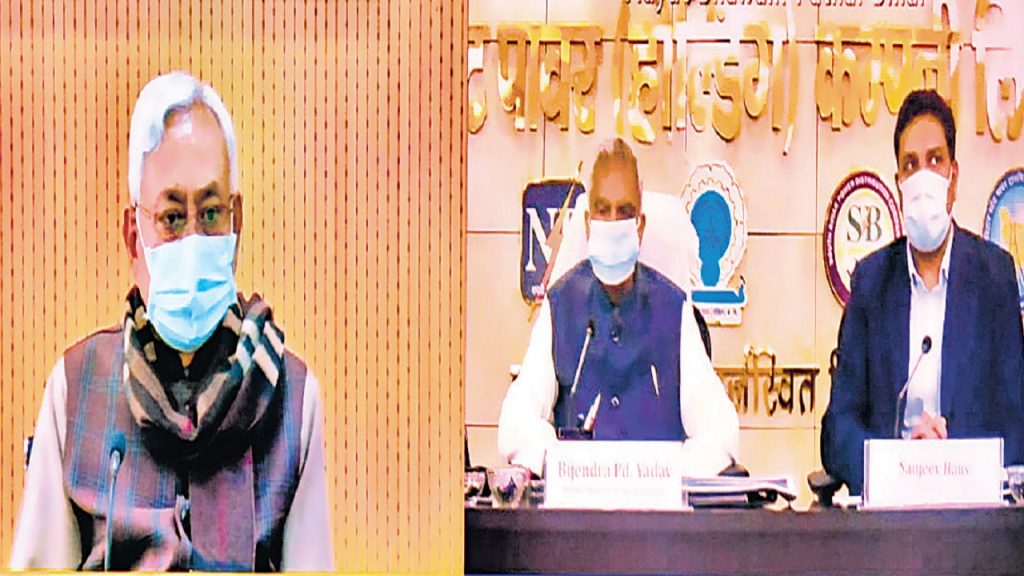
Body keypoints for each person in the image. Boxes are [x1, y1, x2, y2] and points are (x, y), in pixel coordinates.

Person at [9, 72, 334, 571]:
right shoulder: (75, 388)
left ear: (237, 222)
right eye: (172, 217)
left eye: (211, 213)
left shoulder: (292, 397)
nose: (193, 239)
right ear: (133, 234)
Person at [821, 89, 1024, 496]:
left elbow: (1016, 421)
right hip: (892, 516)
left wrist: (952, 465)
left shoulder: (994, 277)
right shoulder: (871, 282)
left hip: (974, 516)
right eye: (910, 165)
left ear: (953, 178)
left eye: (935, 160)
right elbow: (837, 429)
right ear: (898, 182)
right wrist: (901, 462)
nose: (923, 176)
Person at [497, 138, 739, 476]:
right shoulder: (561, 305)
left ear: (640, 226)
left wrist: (665, 473)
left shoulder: (674, 311)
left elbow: (722, 432)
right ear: (587, 223)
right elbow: (515, 424)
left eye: (624, 211)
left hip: (656, 507)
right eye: (603, 209)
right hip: (579, 504)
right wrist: (563, 463)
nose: (613, 221)